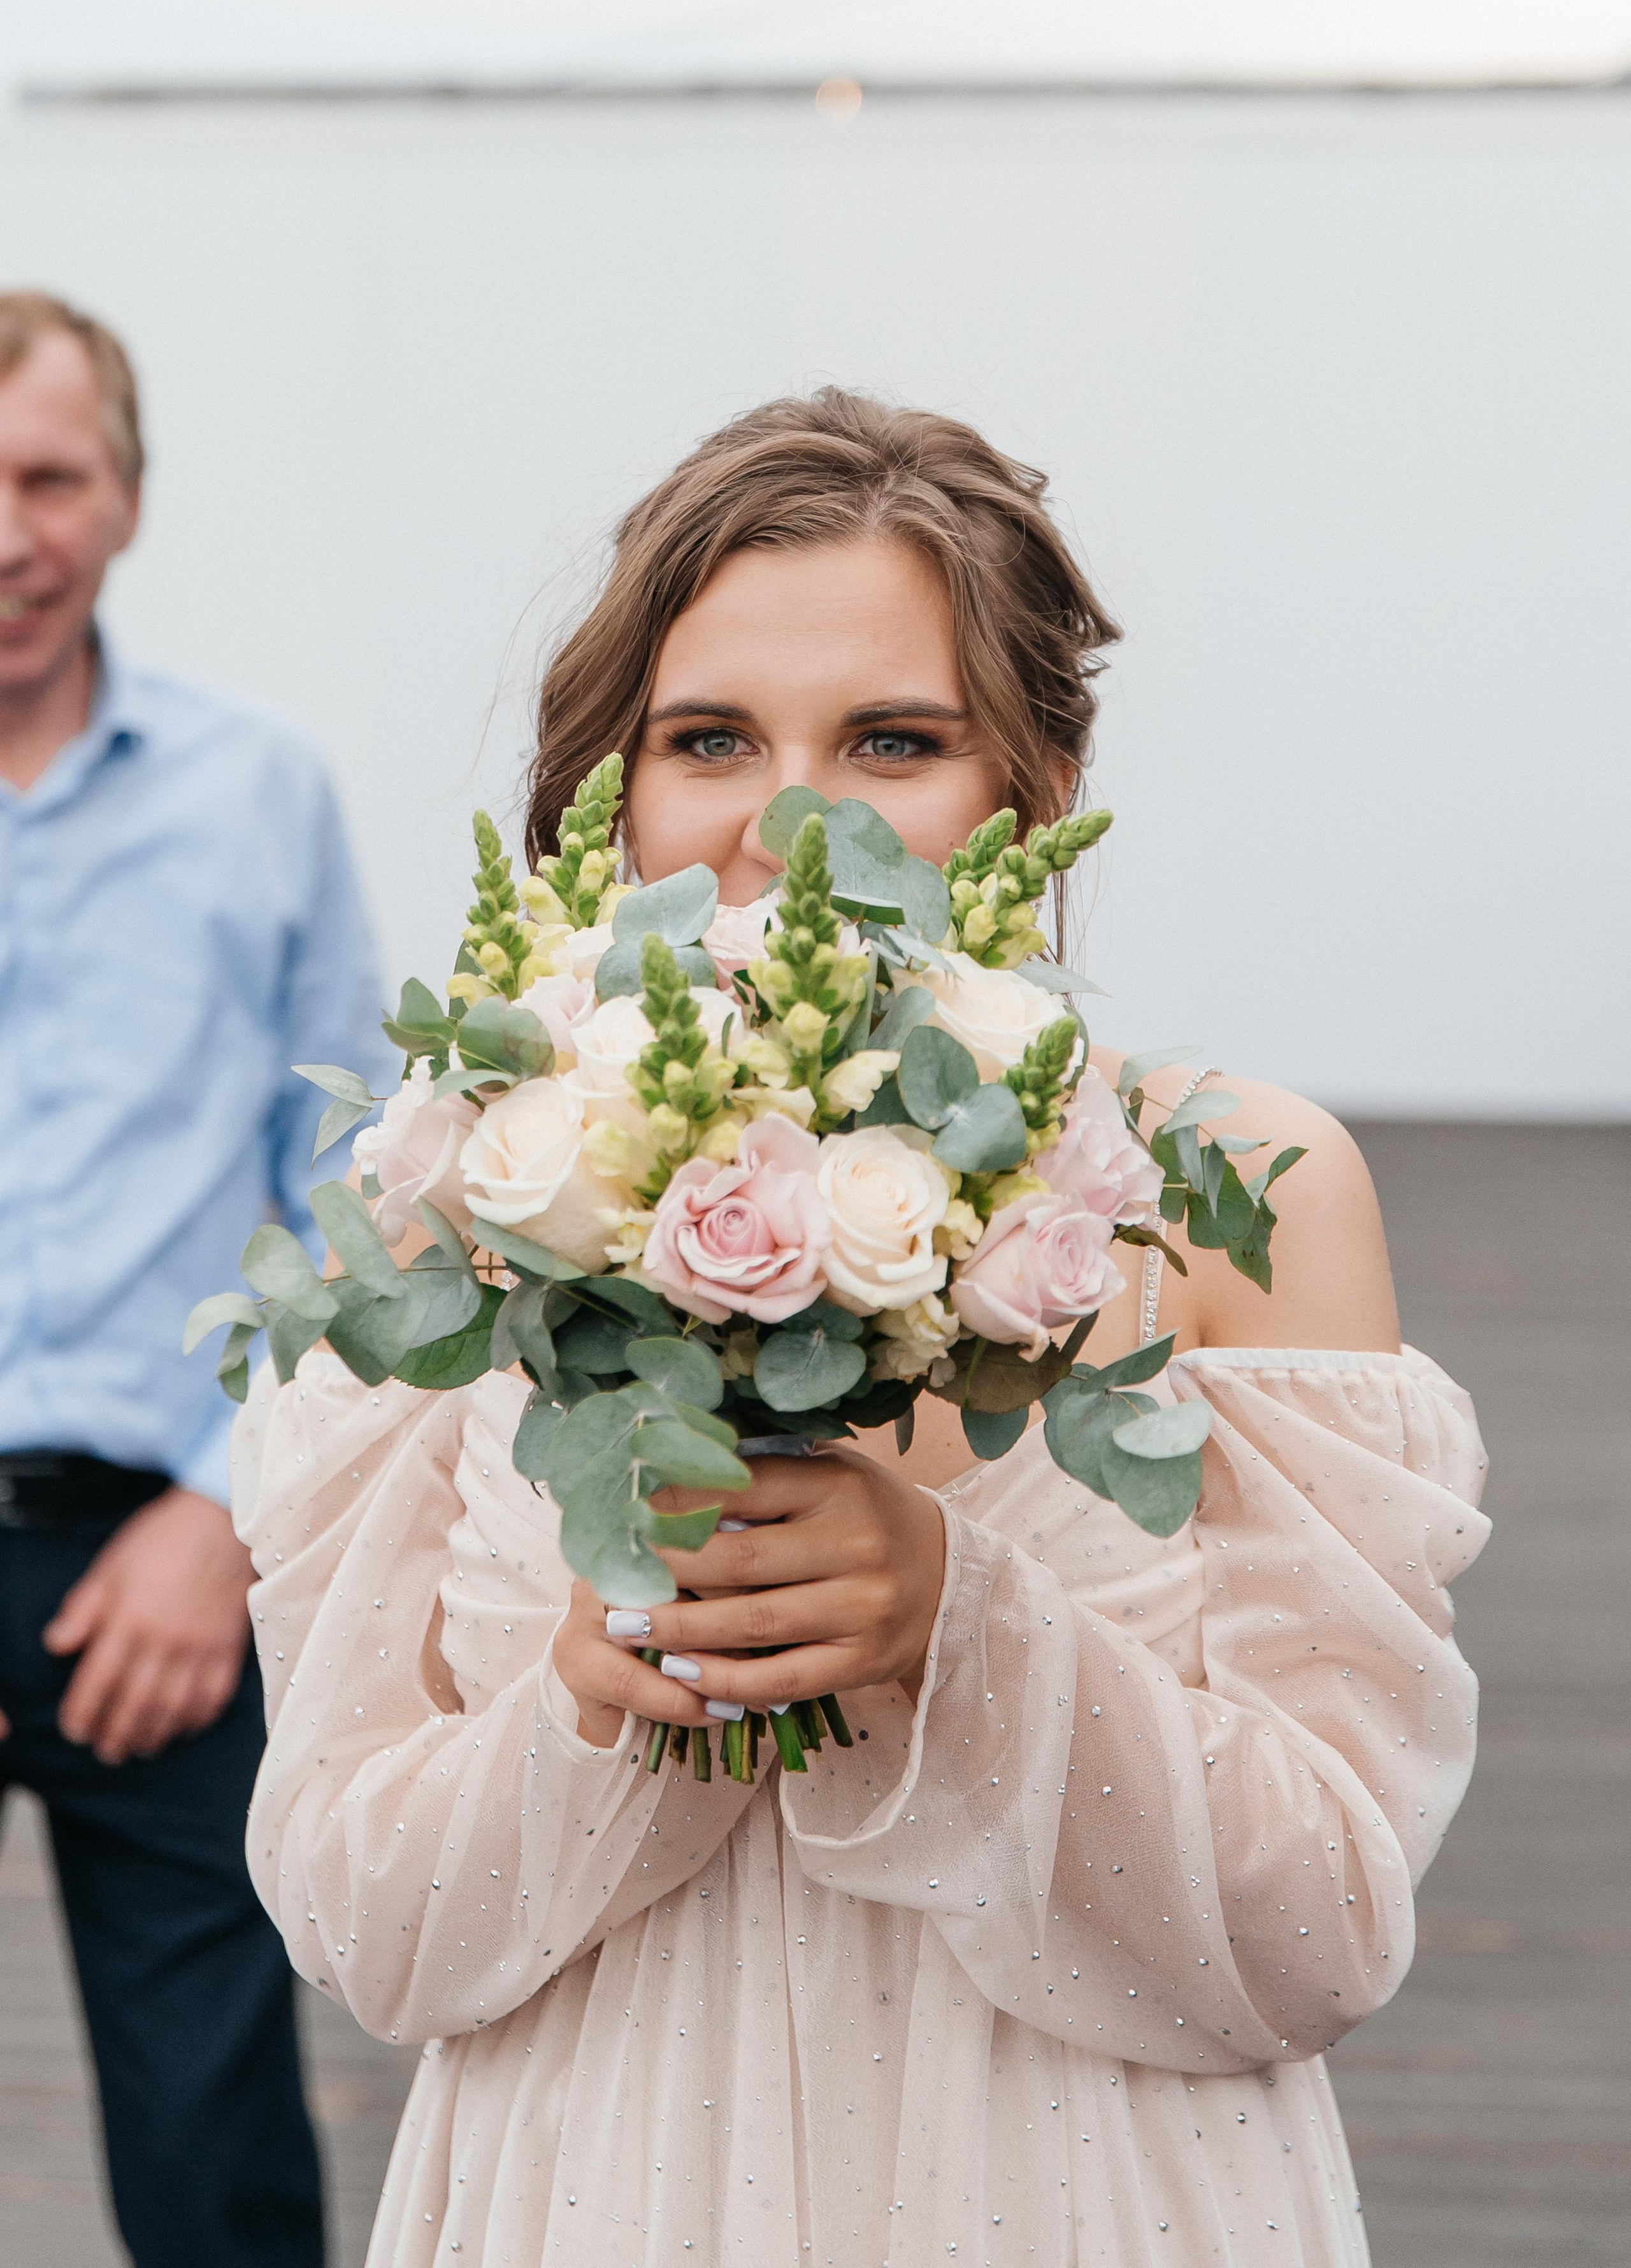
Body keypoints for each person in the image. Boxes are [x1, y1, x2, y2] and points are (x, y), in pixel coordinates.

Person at [233, 389, 1490, 2266]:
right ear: (615, 791)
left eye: (893, 738)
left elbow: (1320, 1930)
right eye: (709, 738)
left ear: (1031, 794)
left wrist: (954, 1628)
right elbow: (370, 1940)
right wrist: (596, 1692)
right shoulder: (453, 1220)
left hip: (1083, 2201)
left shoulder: (1244, 1191)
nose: (788, 816)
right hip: (597, 2196)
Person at [0, 289, 391, 2267]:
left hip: (163, 1560)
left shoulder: (259, 795)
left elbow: (351, 1181)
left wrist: (223, 1505)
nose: (6, 532)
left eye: (48, 477)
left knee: (217, 2145)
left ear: (126, 500)